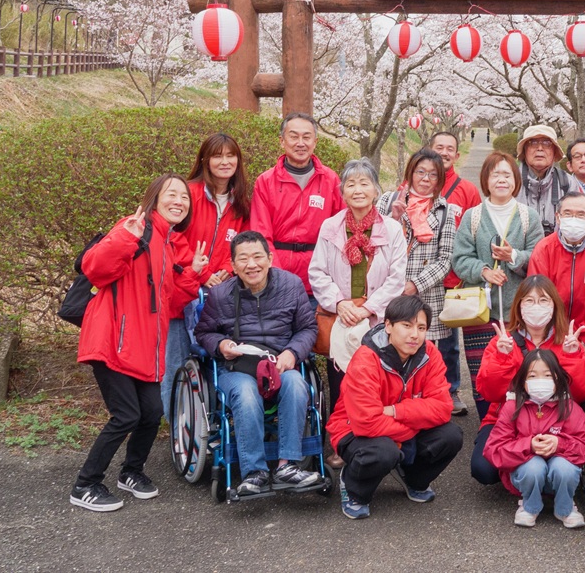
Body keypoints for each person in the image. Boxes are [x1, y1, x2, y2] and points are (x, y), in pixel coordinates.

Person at [71, 174, 205, 512]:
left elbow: (170, 301)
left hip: (142, 346)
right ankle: (85, 484)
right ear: (154, 198)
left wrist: (195, 272)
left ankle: (130, 472)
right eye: (171, 194)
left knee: (152, 411)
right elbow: (95, 269)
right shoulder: (136, 228)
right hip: (111, 339)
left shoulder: (165, 241)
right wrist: (126, 237)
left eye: (184, 197)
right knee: (126, 415)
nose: (179, 201)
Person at [194, 231, 321, 495]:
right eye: (243, 259)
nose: (251, 265)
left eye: (257, 257)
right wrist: (221, 345)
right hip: (238, 367)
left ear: (270, 259)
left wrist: (292, 353)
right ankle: (254, 470)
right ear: (233, 265)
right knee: (246, 393)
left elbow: (308, 328)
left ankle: (288, 465)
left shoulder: (292, 285)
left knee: (297, 385)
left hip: (279, 363)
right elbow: (203, 333)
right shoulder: (219, 295)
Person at [326, 295, 464, 519]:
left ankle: (413, 479)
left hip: (394, 423)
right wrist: (411, 429)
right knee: (383, 451)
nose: (414, 334)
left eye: (421, 327)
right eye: (406, 325)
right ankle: (354, 487)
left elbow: (442, 408)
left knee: (451, 435)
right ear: (388, 325)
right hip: (352, 429)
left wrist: (396, 411)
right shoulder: (366, 358)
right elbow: (366, 423)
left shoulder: (430, 354)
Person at [308, 158, 408, 467]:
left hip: (376, 319)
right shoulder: (330, 226)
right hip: (341, 317)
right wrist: (339, 304)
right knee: (341, 382)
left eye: (365, 183)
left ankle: (380, 440)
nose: (358, 189)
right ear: (342, 191)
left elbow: (396, 278)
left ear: (377, 190)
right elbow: (318, 272)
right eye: (351, 184)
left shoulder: (391, 229)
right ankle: (342, 443)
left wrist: (367, 308)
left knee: (378, 382)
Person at [161, 133, 251, 423]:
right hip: (182, 290)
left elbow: (244, 241)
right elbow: (175, 236)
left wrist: (226, 268)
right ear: (205, 160)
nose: (225, 162)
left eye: (230, 156)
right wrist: (202, 273)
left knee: (215, 358)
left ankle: (209, 422)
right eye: (217, 156)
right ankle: (178, 428)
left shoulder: (240, 201)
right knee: (176, 362)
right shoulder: (189, 193)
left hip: (219, 294)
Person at [470, 276, 585, 486]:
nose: (536, 307)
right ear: (519, 306)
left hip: (557, 422)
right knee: (483, 470)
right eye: (529, 301)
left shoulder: (568, 342)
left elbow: (579, 395)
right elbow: (489, 394)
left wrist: (572, 358)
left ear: (554, 306)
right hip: (508, 420)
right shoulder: (502, 341)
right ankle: (522, 475)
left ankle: (533, 473)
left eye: (544, 300)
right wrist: (502, 358)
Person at [452, 151, 545, 419]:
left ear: (515, 180)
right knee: (483, 373)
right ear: (486, 180)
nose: (501, 180)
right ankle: (487, 425)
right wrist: (483, 271)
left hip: (521, 312)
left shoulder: (528, 217)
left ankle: (520, 425)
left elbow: (539, 257)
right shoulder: (473, 216)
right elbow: (459, 259)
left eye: (507, 174)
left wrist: (513, 256)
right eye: (495, 174)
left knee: (521, 370)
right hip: (481, 312)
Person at [377, 149, 461, 414]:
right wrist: (394, 218)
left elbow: (446, 258)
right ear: (410, 172)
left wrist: (414, 284)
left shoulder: (447, 211)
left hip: (426, 296)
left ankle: (418, 412)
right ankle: (385, 409)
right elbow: (373, 241)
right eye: (420, 172)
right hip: (387, 291)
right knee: (384, 352)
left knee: (421, 358)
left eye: (433, 174)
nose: (425, 179)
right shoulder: (388, 201)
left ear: (440, 179)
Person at [483, 349, 585, 528]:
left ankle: (565, 507)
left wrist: (560, 444)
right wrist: (528, 445)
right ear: (524, 382)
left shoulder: (569, 408)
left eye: (548, 375)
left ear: (558, 379)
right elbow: (493, 449)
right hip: (525, 475)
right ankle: (529, 506)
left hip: (559, 475)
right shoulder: (512, 407)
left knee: (563, 468)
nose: (540, 381)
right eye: (533, 376)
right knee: (534, 466)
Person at [250, 112, 343, 301]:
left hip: (319, 278)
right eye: (294, 136)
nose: (300, 143)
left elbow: (340, 230)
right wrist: (276, 277)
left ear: (315, 142)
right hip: (275, 278)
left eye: (306, 137)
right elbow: (261, 234)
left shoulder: (330, 180)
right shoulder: (266, 182)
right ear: (282, 141)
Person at [430, 131, 481, 415]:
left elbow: (476, 229)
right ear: (430, 149)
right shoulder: (416, 181)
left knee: (450, 342)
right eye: (440, 147)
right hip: (422, 276)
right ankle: (423, 391)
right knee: (421, 336)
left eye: (450, 149)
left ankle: (451, 390)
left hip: (455, 277)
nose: (445, 153)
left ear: (457, 155)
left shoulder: (468, 190)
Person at [527, 191, 585, 351]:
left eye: (581, 215)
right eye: (568, 214)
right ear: (558, 217)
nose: (574, 220)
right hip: (548, 336)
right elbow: (537, 300)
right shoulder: (543, 249)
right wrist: (550, 339)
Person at [515, 125, 583, 236]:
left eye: (547, 143)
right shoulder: (510, 181)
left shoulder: (567, 183)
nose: (540, 148)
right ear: (524, 150)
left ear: (554, 152)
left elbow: (575, 225)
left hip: (555, 250)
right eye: (533, 143)